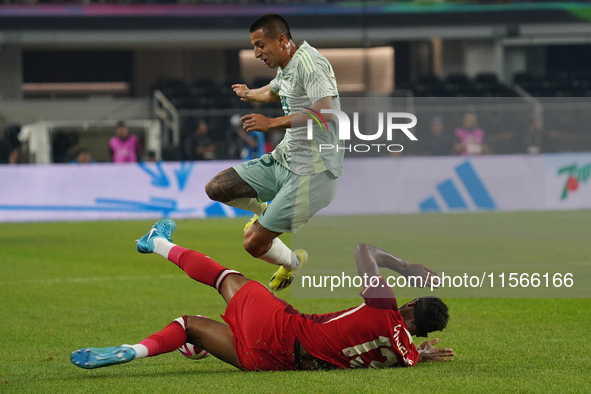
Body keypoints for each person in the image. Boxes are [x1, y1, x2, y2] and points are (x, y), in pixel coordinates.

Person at [71, 220, 453, 372]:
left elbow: (363, 249)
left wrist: (407, 269)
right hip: (272, 363)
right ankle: (140, 349)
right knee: (190, 327)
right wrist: (421, 352)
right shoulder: (409, 357)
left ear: (407, 305)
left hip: (285, 330)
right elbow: (406, 347)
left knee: (225, 278)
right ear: (420, 335)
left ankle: (155, 241)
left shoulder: (386, 306)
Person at [204, 14, 344, 291]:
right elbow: (276, 91)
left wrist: (272, 123)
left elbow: (327, 111)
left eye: (260, 45)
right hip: (284, 160)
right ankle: (267, 216)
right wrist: (249, 93)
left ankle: (290, 261)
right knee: (217, 187)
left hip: (313, 173)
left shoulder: (311, 63)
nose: (256, 53)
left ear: (281, 40)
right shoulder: (287, 65)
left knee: (253, 243)